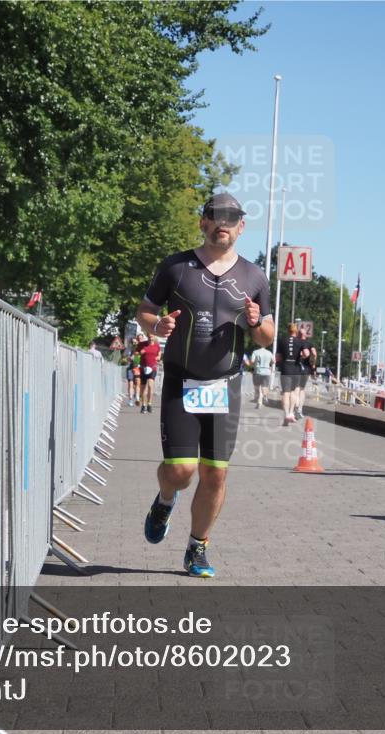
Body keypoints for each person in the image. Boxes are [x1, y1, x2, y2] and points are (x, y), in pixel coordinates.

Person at [135, 192, 274, 577]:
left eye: (232, 219)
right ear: (204, 221)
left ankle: (197, 547)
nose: (223, 224)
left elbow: (266, 337)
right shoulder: (176, 267)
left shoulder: (255, 276)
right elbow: (145, 310)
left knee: (215, 473)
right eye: (216, 216)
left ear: (242, 227)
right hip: (182, 380)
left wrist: (255, 321)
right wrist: (155, 325)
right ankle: (165, 500)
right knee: (181, 471)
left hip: (225, 385)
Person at [276, 323, 308, 426]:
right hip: (296, 369)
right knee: (294, 392)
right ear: (296, 331)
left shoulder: (281, 341)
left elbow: (277, 358)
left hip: (285, 368)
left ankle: (286, 414)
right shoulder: (300, 341)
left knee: (285, 392)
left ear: (288, 330)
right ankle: (291, 412)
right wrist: (301, 356)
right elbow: (307, 353)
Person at [136, 333, 162, 414]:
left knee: (150, 385)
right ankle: (143, 405)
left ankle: (149, 404)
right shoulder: (142, 344)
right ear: (147, 336)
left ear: (154, 337)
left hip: (153, 367)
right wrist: (140, 352)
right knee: (143, 388)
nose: (150, 338)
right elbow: (135, 353)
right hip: (143, 367)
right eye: (149, 337)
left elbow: (159, 354)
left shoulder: (157, 345)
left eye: (152, 337)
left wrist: (158, 357)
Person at [295, 328, 317, 420]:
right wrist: (313, 363)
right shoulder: (309, 343)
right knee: (302, 389)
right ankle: (299, 409)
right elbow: (314, 354)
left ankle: (294, 407)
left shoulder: (294, 342)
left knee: (295, 388)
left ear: (298, 334)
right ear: (305, 335)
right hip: (306, 369)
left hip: (295, 368)